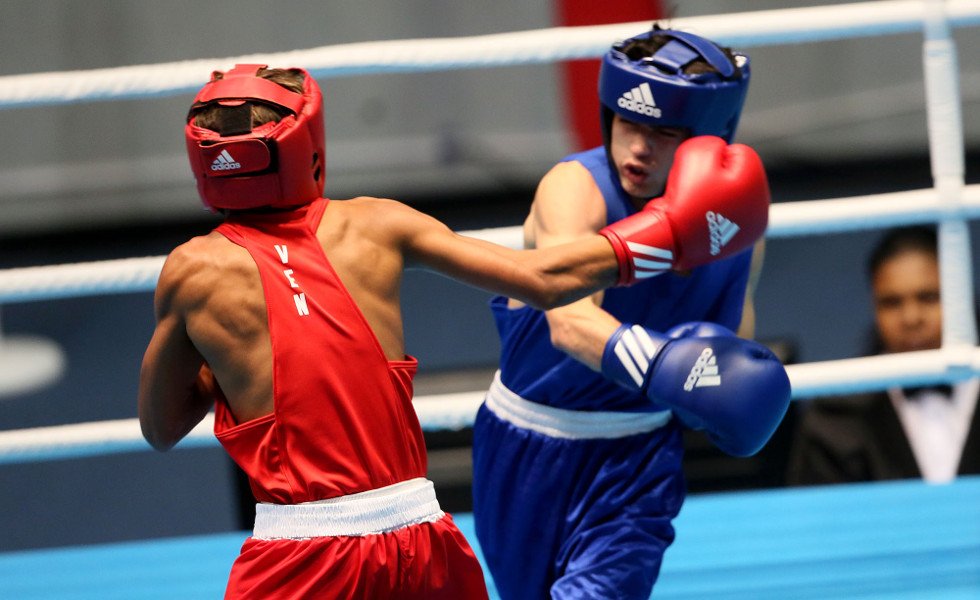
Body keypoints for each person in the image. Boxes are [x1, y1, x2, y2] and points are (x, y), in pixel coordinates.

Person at [136, 63, 772, 599]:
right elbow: (545, 282)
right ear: (314, 152)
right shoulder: (379, 225)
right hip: (420, 537)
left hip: (297, 552)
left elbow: (161, 427)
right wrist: (671, 234)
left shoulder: (192, 273)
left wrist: (232, 359)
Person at [471, 27, 791, 599]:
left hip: (636, 459)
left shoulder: (738, 227)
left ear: (711, 136)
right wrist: (666, 363)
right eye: (628, 123)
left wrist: (724, 387)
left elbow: (729, 339)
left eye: (665, 131)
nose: (638, 147)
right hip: (523, 445)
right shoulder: (575, 190)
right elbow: (568, 322)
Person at [788, 226, 980, 485]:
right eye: (892, 302)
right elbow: (819, 520)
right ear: (873, 305)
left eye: (929, 297)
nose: (911, 318)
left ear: (963, 296)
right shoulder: (833, 417)